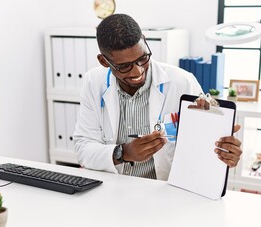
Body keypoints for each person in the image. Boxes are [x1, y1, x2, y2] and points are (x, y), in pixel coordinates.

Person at [73, 14, 242, 181]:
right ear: (104, 61)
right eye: (124, 66)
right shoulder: (93, 82)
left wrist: (224, 151)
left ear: (145, 42)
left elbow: (203, 145)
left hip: (163, 191)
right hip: (112, 188)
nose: (137, 72)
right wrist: (124, 153)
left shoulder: (182, 82)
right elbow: (83, 148)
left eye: (142, 58)